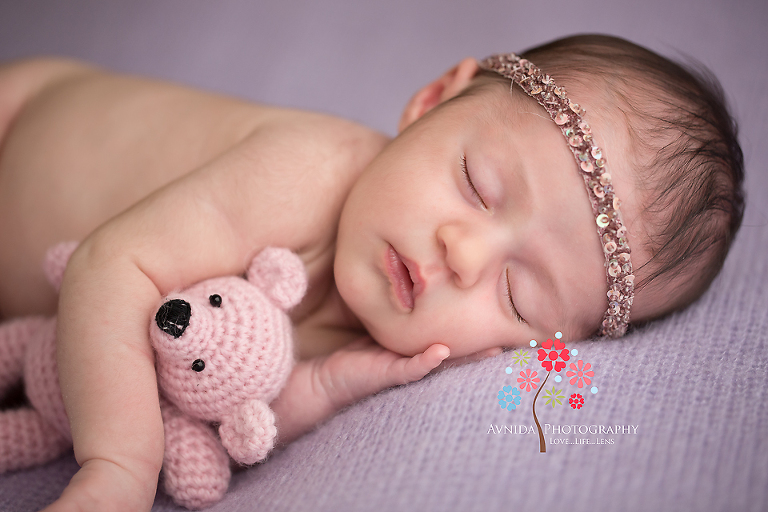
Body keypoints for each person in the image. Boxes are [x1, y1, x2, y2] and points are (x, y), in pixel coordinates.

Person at [0, 34, 743, 511]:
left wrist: (328, 387)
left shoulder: (394, 340)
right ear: (431, 103)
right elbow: (111, 265)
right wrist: (120, 466)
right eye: (477, 184)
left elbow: (229, 407)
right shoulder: (307, 170)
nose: (465, 253)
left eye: (518, 293)